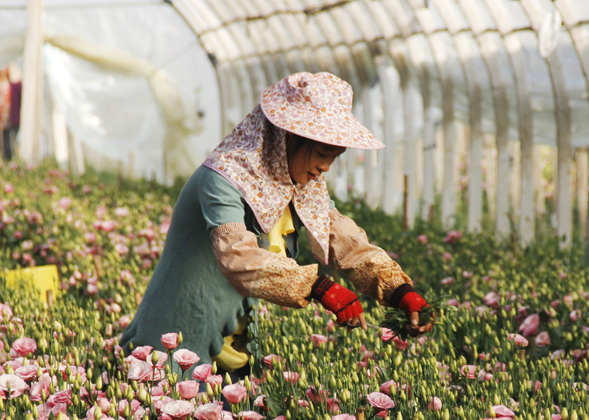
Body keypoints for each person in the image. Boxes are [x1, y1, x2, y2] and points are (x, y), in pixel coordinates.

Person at [119, 72, 431, 378]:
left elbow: (346, 241)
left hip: (231, 354)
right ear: (286, 139)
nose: (325, 167)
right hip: (174, 346)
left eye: (335, 156)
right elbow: (238, 258)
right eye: (322, 153)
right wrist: (318, 287)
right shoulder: (221, 179)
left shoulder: (299, 184)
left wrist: (397, 290)